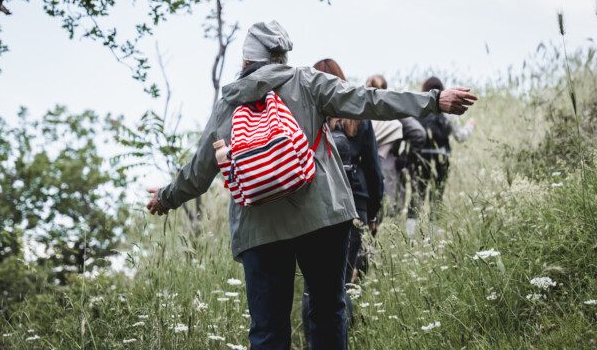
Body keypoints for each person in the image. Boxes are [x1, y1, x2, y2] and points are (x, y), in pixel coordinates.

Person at [146, 21, 477, 350]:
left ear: (246, 60)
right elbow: (369, 100)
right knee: (328, 312)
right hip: (322, 217)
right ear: (282, 56)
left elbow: (200, 171)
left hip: (259, 228)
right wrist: (434, 101)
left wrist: (166, 197)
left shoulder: (227, 104)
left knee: (267, 330)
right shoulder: (306, 81)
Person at [301, 59, 384, 348]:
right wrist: (373, 213)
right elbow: (374, 170)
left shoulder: (306, 115)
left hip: (314, 209)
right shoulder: (357, 118)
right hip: (353, 208)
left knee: (311, 289)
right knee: (341, 285)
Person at [366, 75, 426, 237]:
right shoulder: (393, 109)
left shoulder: (360, 108)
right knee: (385, 220)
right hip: (387, 168)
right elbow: (418, 133)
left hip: (360, 172)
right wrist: (403, 160)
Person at [416, 76, 476, 222]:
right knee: (437, 197)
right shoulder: (448, 111)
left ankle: (410, 235)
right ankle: (433, 234)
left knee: (417, 197)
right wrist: (470, 126)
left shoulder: (417, 109)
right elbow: (460, 137)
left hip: (420, 158)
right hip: (441, 158)